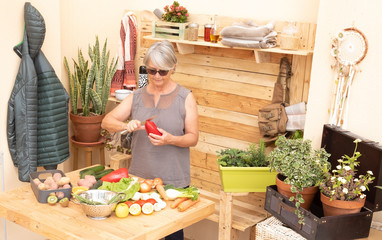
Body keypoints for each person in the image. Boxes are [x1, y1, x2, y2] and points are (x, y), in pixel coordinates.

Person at [101, 40, 199, 240]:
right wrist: (125, 126)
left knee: (172, 236)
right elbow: (106, 121)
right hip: (140, 182)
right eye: (151, 71)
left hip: (174, 184)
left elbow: (193, 138)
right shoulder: (137, 96)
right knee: (139, 233)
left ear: (173, 67)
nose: (156, 76)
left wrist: (170, 139)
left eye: (163, 71)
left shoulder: (185, 98)